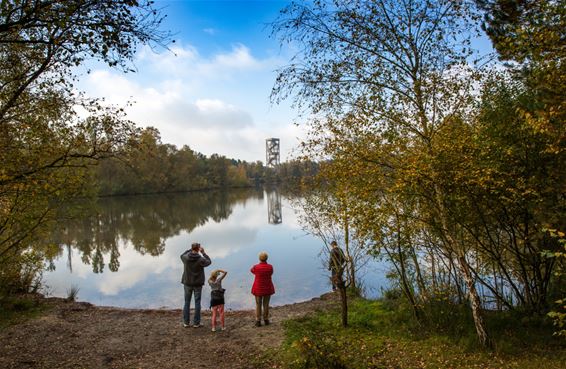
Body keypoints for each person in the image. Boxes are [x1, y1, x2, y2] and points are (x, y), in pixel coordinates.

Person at [180, 242, 211, 328]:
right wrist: (203, 253)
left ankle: (186, 322)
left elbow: (181, 254)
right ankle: (196, 323)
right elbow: (209, 262)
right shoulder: (201, 259)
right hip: (197, 284)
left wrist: (190, 249)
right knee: (197, 303)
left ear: (192, 248)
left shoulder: (185, 258)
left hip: (187, 283)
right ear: (198, 249)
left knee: (187, 302)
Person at [250, 251, 275, 327]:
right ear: (267, 258)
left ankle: (258, 321)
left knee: (258, 305)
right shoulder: (270, 267)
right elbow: (271, 273)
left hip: (258, 289)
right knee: (266, 304)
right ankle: (266, 319)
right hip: (267, 288)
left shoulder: (256, 267)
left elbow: (251, 270)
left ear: (259, 258)